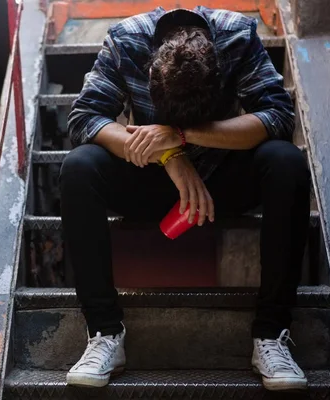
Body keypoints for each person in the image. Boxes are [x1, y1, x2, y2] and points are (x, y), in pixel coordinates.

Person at [60, 6, 310, 391]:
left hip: (221, 179)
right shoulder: (126, 40)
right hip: (151, 177)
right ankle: (105, 333)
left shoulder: (238, 36)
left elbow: (278, 115)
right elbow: (83, 118)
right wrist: (169, 156)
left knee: (287, 161)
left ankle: (271, 335)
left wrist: (183, 135)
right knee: (79, 167)